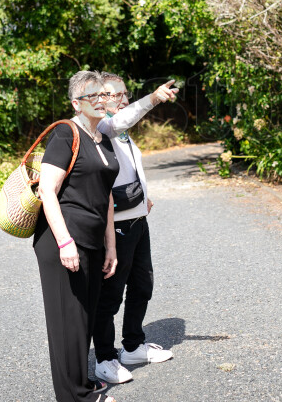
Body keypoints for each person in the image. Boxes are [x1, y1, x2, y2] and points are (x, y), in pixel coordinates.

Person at [35, 70, 120, 402]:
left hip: (93, 241)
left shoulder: (103, 137)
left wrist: (110, 245)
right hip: (63, 242)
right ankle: (76, 397)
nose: (101, 101)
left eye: (104, 94)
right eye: (92, 96)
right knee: (67, 322)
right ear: (76, 102)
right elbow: (47, 190)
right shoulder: (64, 134)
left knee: (84, 317)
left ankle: (79, 383)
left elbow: (107, 196)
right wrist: (64, 242)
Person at [92, 74, 179, 385]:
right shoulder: (102, 126)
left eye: (124, 93)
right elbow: (118, 122)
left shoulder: (123, 131)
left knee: (143, 285)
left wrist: (145, 198)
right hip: (117, 226)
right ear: (99, 99)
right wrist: (154, 98)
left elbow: (129, 169)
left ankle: (132, 347)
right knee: (111, 294)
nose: (122, 99)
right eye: (115, 95)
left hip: (138, 219)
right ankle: (104, 357)